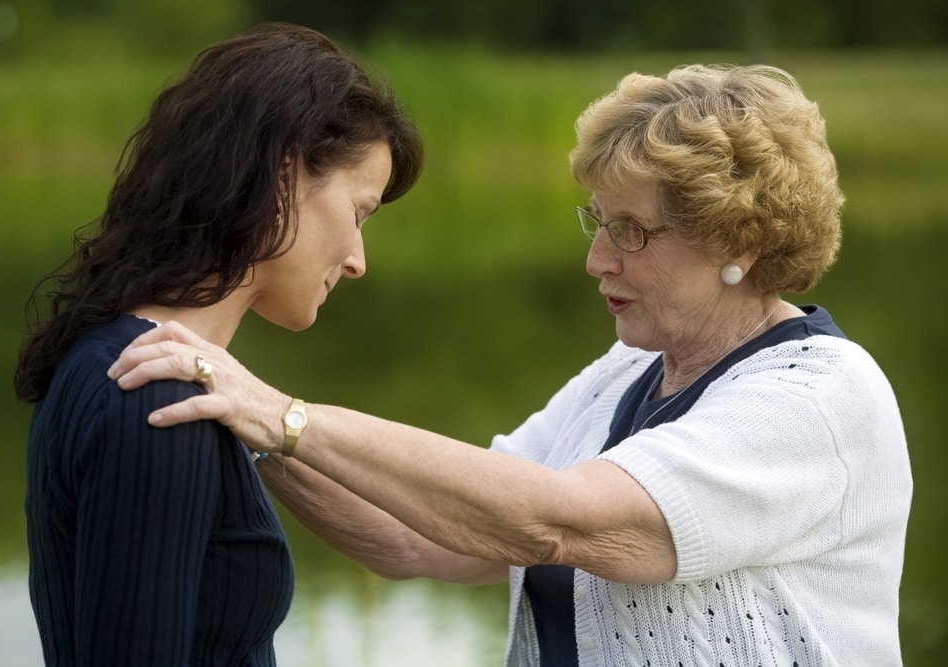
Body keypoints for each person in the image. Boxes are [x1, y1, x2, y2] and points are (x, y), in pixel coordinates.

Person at [106, 64, 913, 665]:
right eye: (596, 221)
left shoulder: (821, 399)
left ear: (739, 243)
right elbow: (422, 535)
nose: (597, 258)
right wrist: (237, 421)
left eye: (631, 230)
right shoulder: (623, 377)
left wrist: (284, 414)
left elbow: (560, 520)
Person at [14, 22, 423, 666]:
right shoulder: (156, 396)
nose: (357, 260)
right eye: (360, 211)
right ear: (284, 177)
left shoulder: (116, 358)